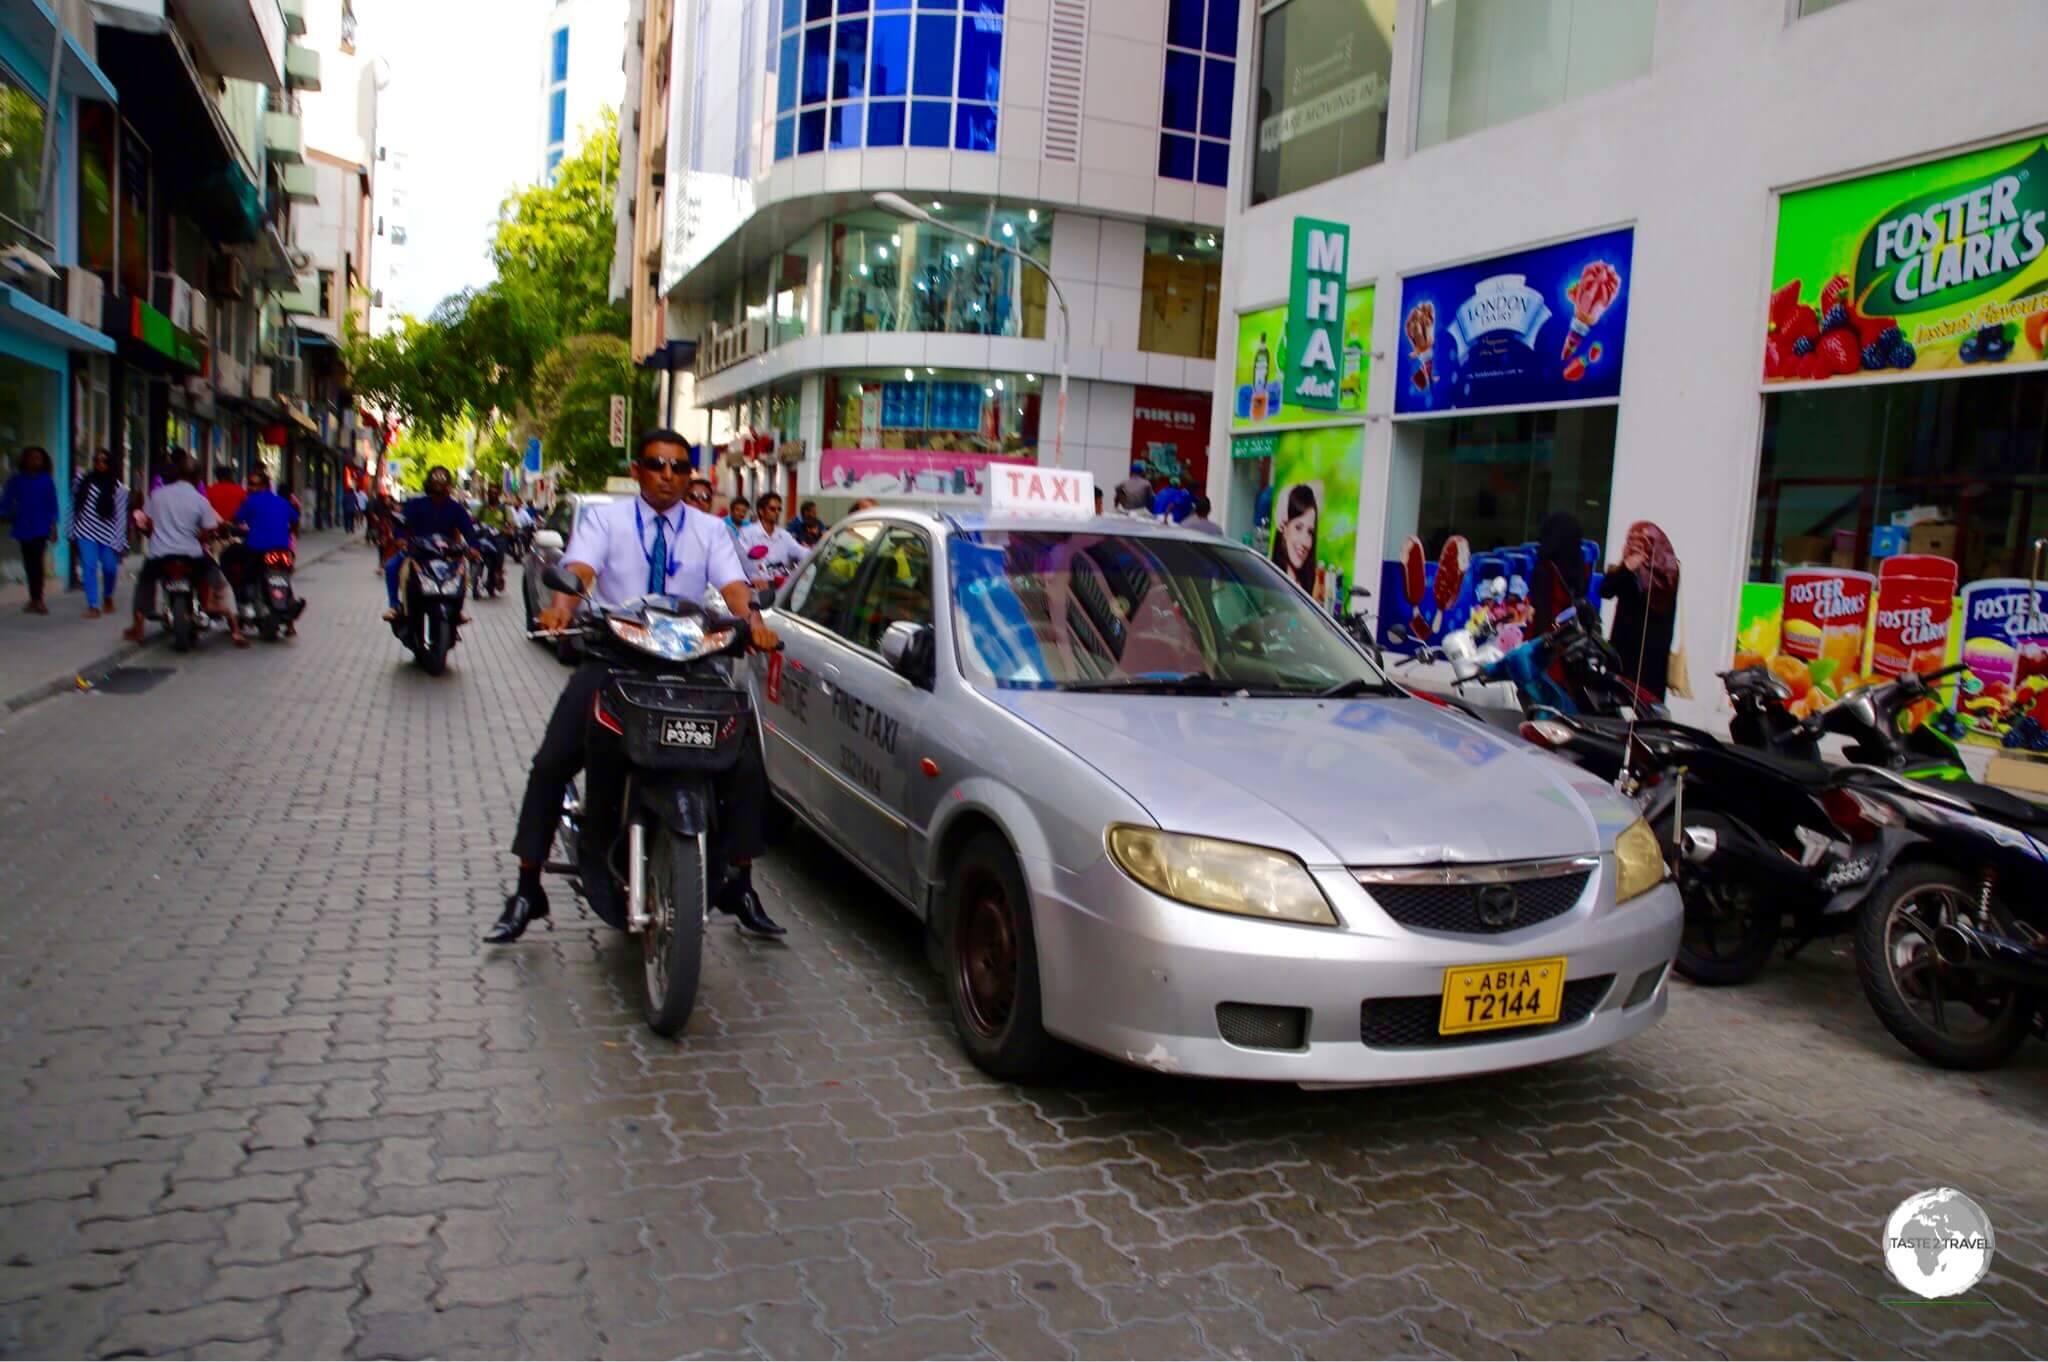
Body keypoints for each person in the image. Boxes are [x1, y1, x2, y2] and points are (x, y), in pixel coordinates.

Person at [488, 429, 786, 944]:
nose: (668, 475)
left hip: (692, 664)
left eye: (678, 467)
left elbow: (736, 587)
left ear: (690, 474)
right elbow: (579, 570)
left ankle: (739, 881)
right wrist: (561, 611)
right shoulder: (605, 519)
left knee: (745, 762)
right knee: (553, 759)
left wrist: (752, 621)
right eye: (656, 464)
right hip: (617, 658)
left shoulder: (711, 529)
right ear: (638, 470)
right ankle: (527, 885)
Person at [124, 453, 246, 646]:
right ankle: (236, 630)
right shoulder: (200, 500)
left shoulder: (157, 495)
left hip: (160, 555)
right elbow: (207, 532)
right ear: (198, 478)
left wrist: (156, 534)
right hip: (192, 555)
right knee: (220, 584)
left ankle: (138, 628)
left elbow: (148, 524)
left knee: (145, 583)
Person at [384, 467, 478, 621]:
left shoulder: (456, 508)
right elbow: (402, 524)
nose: (439, 488)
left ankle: (457, 609)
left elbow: (468, 530)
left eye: (442, 483)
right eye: (435, 483)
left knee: (463, 573)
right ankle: (394, 606)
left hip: (447, 555)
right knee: (391, 567)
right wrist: (400, 538)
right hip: (417, 552)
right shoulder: (415, 504)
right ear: (428, 485)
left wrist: (474, 547)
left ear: (448, 486)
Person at [1605, 520, 1680, 702]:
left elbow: (1661, 605)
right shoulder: (1626, 566)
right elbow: (1606, 591)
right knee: (1618, 697)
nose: (1635, 547)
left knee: (1647, 702)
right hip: (1623, 647)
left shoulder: (1668, 569)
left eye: (1641, 543)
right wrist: (1626, 568)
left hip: (1651, 651)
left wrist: (1645, 571)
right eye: (1631, 541)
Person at [231, 468, 305, 633]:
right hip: (283, 550)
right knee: (283, 579)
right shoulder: (282, 501)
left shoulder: (251, 501)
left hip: (257, 548)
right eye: (249, 484)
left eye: (253, 484)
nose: (249, 487)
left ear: (264, 486)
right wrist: (289, 533)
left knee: (247, 577)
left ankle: (246, 607)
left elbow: (237, 520)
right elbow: (295, 519)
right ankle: (290, 624)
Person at [70, 449, 129, 617]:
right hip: (85, 531)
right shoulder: (82, 482)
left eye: (104, 461)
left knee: (110, 568)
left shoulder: (118, 489)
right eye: (97, 460)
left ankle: (108, 596)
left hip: (108, 534)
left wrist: (119, 541)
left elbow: (121, 517)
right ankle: (93, 605)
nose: (100, 464)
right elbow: (72, 507)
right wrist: (70, 532)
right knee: (89, 567)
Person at [1, 447, 59, 613]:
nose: (35, 461)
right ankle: (33, 598)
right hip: (23, 525)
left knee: (37, 562)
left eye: (38, 458)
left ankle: (39, 599)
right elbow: (6, 500)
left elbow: (52, 505)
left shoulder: (47, 480)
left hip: (40, 527)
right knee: (28, 563)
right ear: (25, 460)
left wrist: (53, 527)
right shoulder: (17, 480)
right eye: (32, 458)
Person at [1532, 510, 1589, 636]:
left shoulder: (1545, 568)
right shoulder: (1580, 565)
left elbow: (1541, 612)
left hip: (1550, 637)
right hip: (1571, 635)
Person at [738, 491, 806, 585]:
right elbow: (742, 560)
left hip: (781, 587)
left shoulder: (784, 535)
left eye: (779, 509)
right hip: (756, 586)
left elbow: (800, 551)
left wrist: (816, 554)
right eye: (772, 509)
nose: (777, 512)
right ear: (761, 511)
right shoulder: (747, 533)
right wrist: (754, 578)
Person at [1271, 484, 1318, 593]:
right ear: (1284, 528)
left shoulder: (1309, 588)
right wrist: (1284, 494)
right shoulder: (1267, 580)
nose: (1305, 541)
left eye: (1310, 532)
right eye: (1298, 527)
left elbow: (1322, 488)